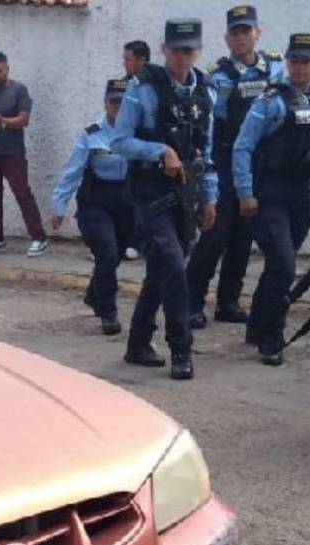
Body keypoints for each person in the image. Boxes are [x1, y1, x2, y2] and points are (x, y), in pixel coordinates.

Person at [110, 18, 218, 381]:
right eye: (176, 50)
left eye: (189, 50)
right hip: (150, 193)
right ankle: (180, 347)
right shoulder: (142, 90)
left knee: (160, 271)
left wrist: (210, 197)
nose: (182, 57)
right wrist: (159, 151)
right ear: (164, 49)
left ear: (198, 51)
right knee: (172, 263)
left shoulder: (206, 92)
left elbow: (207, 150)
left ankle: (138, 343)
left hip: (186, 193)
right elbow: (119, 141)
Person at [186, 5, 284, 330]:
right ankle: (192, 302)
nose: (241, 38)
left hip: (260, 164)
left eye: (246, 31)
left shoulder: (274, 67)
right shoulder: (220, 74)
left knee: (244, 236)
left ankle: (228, 302)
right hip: (226, 162)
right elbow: (212, 125)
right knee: (215, 235)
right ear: (227, 38)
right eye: (235, 32)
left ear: (258, 33)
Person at [233, 33, 310, 367]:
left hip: (303, 194)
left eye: (306, 61)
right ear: (287, 62)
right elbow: (243, 146)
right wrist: (245, 191)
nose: (300, 67)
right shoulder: (270, 101)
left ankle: (256, 325)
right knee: (283, 262)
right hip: (271, 193)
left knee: (281, 263)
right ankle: (272, 335)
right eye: (295, 60)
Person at [49, 79, 133, 336]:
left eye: (123, 102)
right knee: (106, 254)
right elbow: (72, 171)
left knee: (117, 254)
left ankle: (93, 293)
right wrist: (58, 205)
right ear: (106, 103)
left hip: (127, 200)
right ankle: (108, 312)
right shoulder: (91, 134)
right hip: (95, 202)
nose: (117, 107)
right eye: (113, 102)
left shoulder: (138, 131)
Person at [0, 52, 49, 258]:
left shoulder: (19, 90)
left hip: (12, 154)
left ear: (7, 69)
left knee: (23, 194)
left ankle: (39, 238)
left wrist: (2, 121)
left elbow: (24, 119)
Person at [121, 40, 152, 260]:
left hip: (150, 150)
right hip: (129, 149)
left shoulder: (154, 83)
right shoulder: (123, 84)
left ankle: (143, 242)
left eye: (128, 59)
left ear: (142, 60)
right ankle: (131, 240)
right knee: (131, 198)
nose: (124, 64)